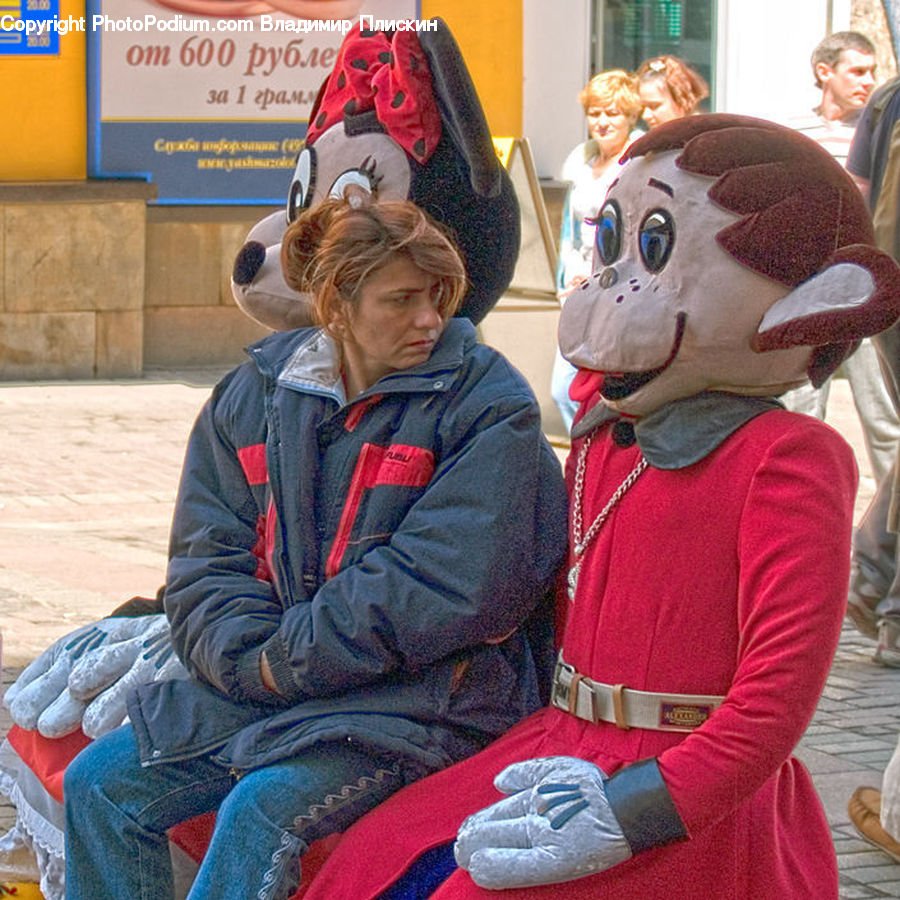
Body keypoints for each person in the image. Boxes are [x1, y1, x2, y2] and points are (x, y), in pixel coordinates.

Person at [295, 114, 900, 900]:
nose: (614, 285)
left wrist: (634, 811)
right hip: (558, 747)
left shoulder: (785, 456)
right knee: (365, 864)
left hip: (684, 797)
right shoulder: (606, 440)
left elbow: (773, 704)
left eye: (653, 249)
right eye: (613, 242)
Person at [60, 197, 568, 900]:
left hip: (424, 701)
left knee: (262, 809)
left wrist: (281, 662)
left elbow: (448, 582)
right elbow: (207, 559)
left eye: (437, 297)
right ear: (336, 305)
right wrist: (246, 660)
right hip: (271, 686)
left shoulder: (485, 404)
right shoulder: (253, 398)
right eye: (402, 300)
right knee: (99, 785)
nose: (430, 319)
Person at [781, 31, 900, 488]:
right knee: (804, 409)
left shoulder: (878, 126)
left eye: (872, 72)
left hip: (870, 289)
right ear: (824, 73)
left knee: (885, 419)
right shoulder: (793, 132)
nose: (868, 81)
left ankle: (886, 536)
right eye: (857, 70)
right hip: (816, 290)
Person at [552, 70, 643, 432]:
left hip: (617, 295)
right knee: (563, 390)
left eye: (613, 113)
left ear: (631, 116)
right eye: (595, 113)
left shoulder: (639, 163)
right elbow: (569, 234)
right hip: (577, 294)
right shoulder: (581, 164)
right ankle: (589, 455)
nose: (603, 121)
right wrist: (565, 279)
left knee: (607, 391)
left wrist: (598, 276)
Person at [635, 55, 709, 130]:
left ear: (683, 100)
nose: (645, 116)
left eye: (654, 106)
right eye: (643, 108)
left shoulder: (706, 138)